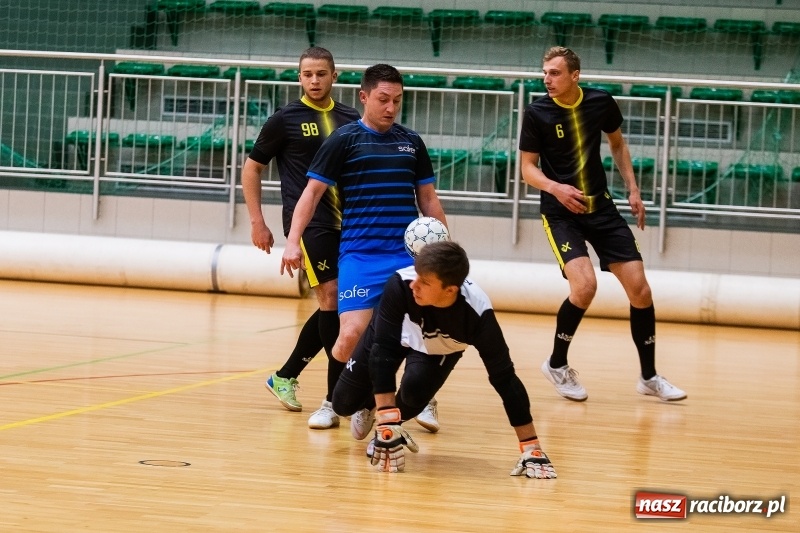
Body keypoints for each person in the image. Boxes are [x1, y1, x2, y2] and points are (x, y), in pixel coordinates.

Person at [280, 63, 448, 433]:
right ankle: (345, 400)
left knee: (421, 333)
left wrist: (446, 251)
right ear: (364, 97)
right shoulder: (343, 140)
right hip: (359, 255)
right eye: (383, 99)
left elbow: (428, 200)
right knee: (348, 338)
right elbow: (311, 195)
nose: (391, 107)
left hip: (406, 257)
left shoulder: (411, 141)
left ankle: (418, 399)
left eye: (397, 100)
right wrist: (292, 242)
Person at [518, 46, 686, 403]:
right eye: (544, 72)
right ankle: (556, 364)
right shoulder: (537, 112)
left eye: (554, 73)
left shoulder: (600, 102)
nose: (546, 79)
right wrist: (556, 188)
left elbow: (618, 145)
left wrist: (633, 189)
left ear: (575, 75)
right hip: (561, 213)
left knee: (641, 290)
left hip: (602, 209)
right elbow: (527, 169)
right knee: (585, 286)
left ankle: (649, 377)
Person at [331, 241, 557, 478]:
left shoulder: (478, 315)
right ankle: (376, 407)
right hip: (395, 335)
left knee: (415, 392)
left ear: (450, 290)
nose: (415, 285)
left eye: (425, 282)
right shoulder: (400, 284)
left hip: (435, 350)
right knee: (342, 404)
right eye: (417, 275)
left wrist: (531, 447)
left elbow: (505, 379)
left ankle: (396, 424)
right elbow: (383, 352)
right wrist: (386, 418)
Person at [242, 47, 361, 429]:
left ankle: (285, 375)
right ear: (299, 77)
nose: (314, 80)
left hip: (351, 222)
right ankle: (338, 394)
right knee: (331, 296)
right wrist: (258, 222)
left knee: (340, 304)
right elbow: (251, 169)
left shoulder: (350, 118)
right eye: (307, 74)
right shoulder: (284, 119)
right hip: (309, 223)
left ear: (334, 76)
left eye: (321, 74)